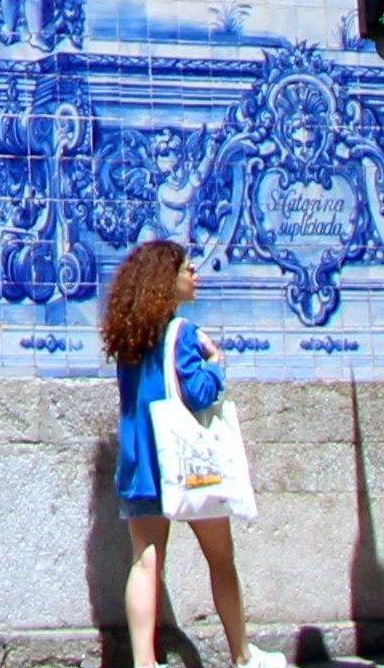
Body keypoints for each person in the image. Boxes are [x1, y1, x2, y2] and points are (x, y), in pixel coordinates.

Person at [102, 235, 269, 668]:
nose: (195, 275)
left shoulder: (130, 337)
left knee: (145, 562)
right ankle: (241, 655)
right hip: (186, 465)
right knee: (220, 560)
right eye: (186, 269)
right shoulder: (183, 333)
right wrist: (215, 365)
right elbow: (195, 392)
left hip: (142, 464)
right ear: (166, 281)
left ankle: (144, 662)